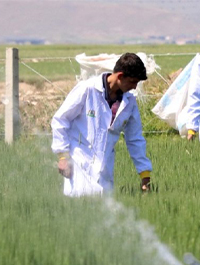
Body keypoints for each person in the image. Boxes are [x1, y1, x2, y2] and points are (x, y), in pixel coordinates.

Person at [51, 53, 152, 197]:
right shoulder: (87, 89)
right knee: (78, 208)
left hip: (105, 166)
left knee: (104, 210)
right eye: (132, 82)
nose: (135, 87)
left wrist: (144, 174)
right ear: (120, 76)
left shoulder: (129, 102)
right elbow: (60, 120)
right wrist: (62, 156)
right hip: (79, 161)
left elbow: (135, 139)